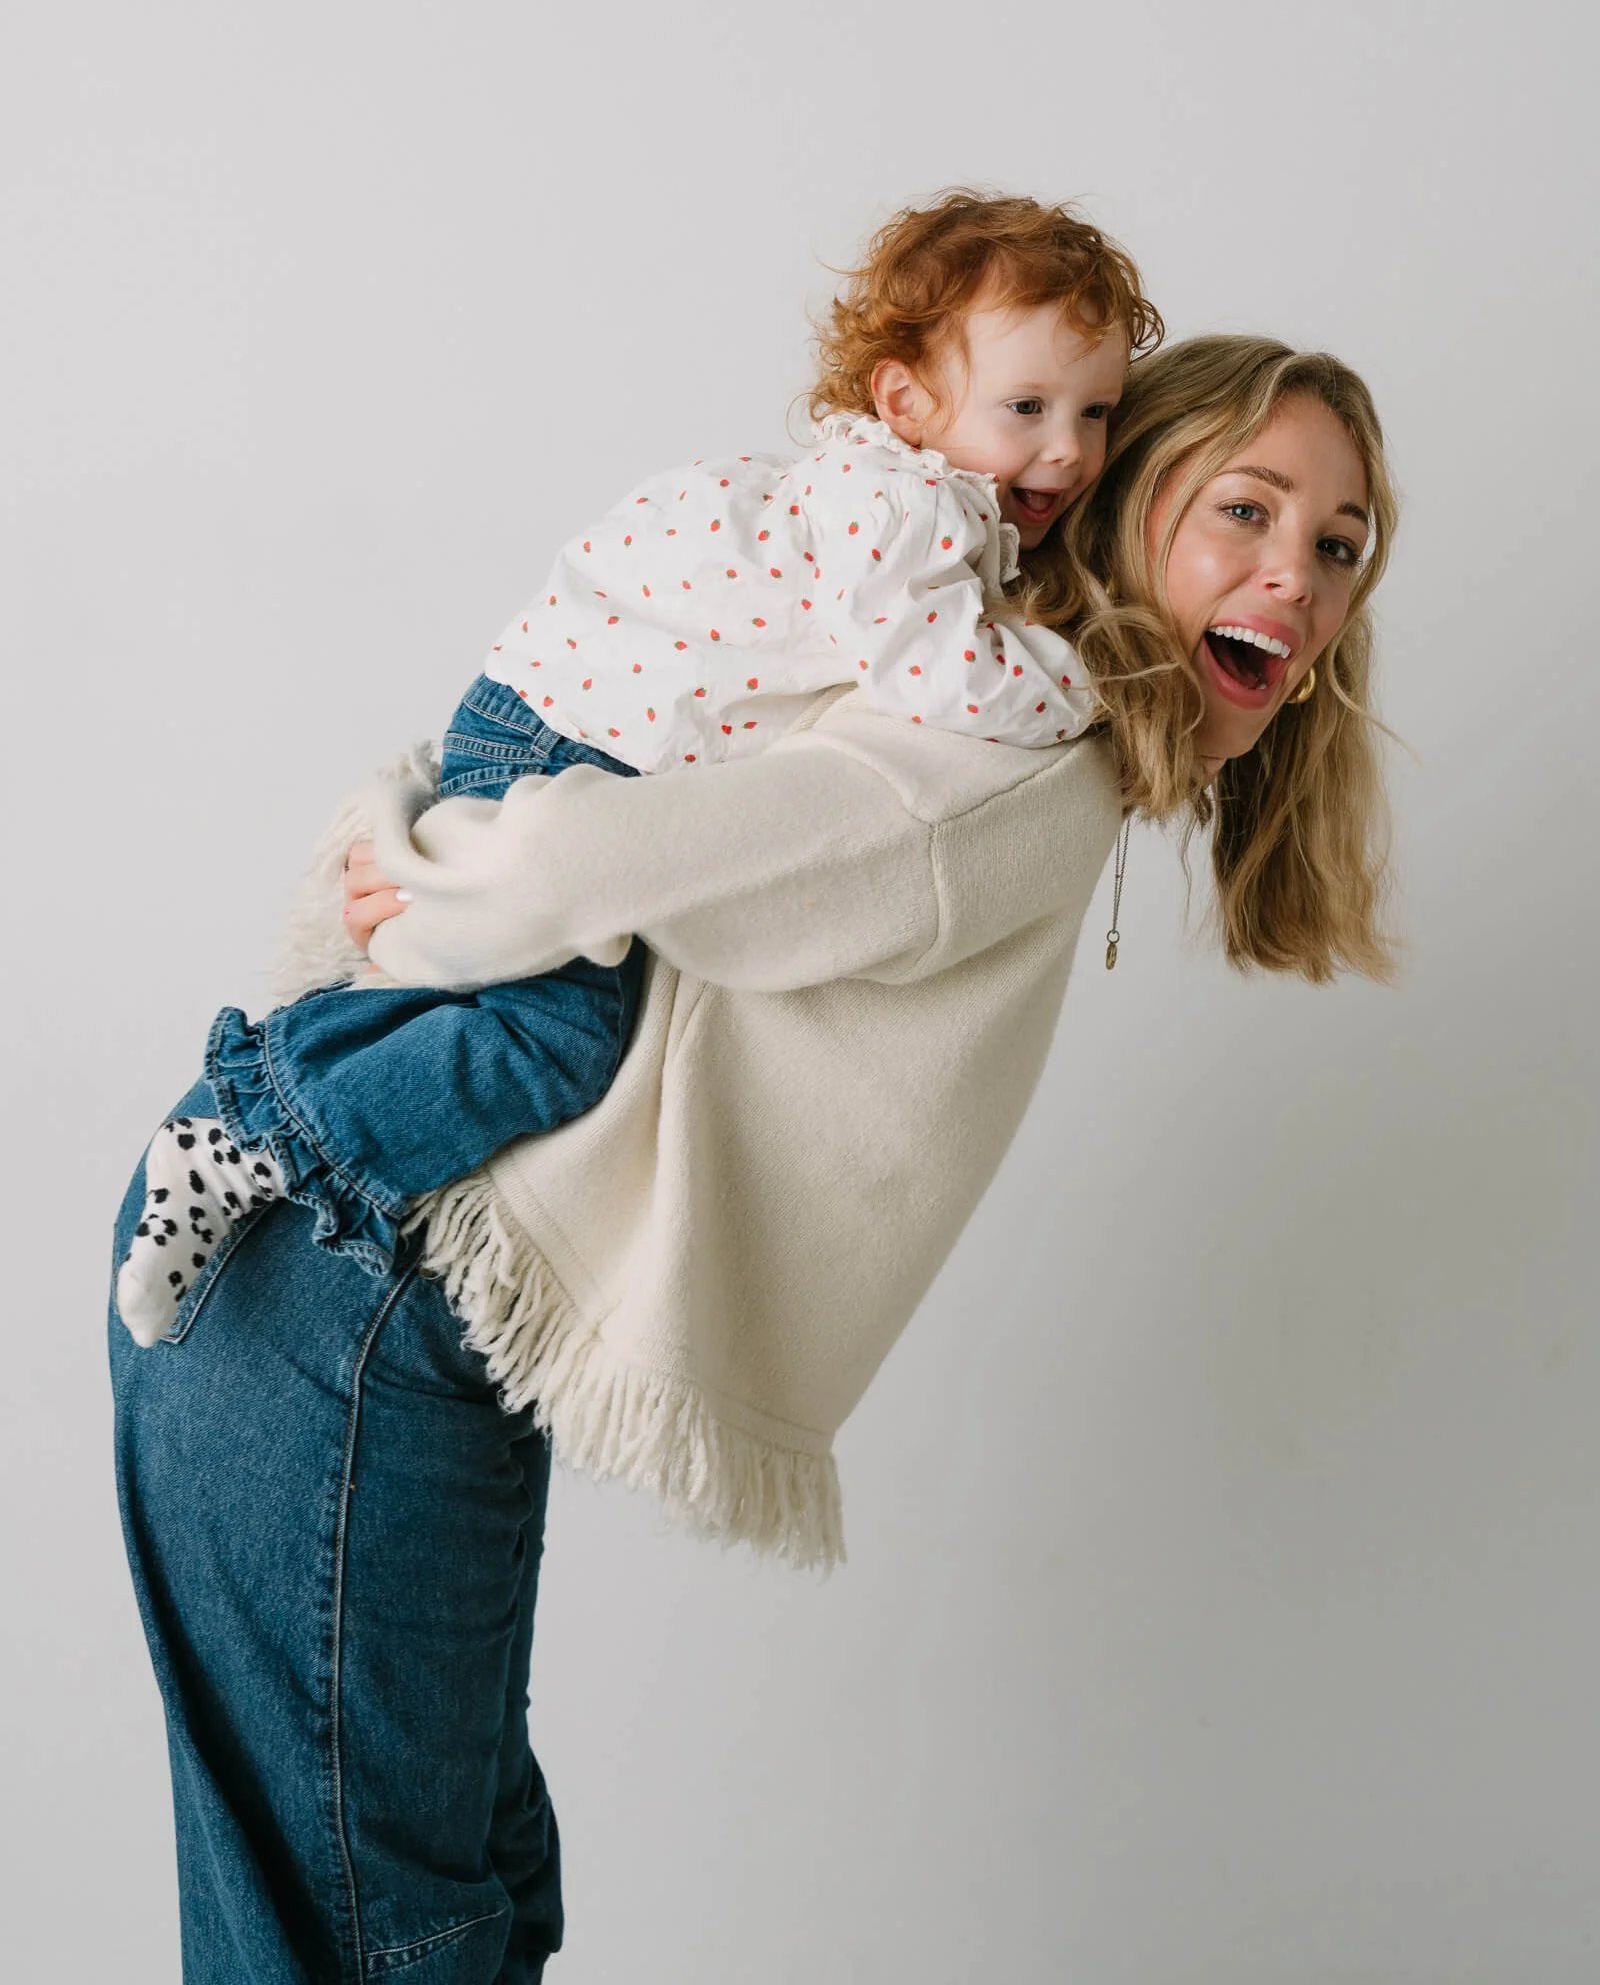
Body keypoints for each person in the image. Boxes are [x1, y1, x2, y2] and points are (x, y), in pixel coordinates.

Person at [109, 330, 1395, 1982]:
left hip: (355, 1297)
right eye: (1249, 510)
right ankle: (273, 1106)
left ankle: (269, 1109)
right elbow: (606, 842)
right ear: (1131, 496)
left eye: (1339, 546)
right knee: (399, 1938)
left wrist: (411, 850)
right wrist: (428, 875)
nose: (1292, 580)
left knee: (431, 1912)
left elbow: (583, 752)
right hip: (353, 1298)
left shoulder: (959, 684)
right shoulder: (1016, 757)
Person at [115, 190, 1158, 1347]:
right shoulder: (897, 505)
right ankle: (254, 1135)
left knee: (507, 1009)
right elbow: (936, 675)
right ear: (906, 400)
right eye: (1027, 406)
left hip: (560, 718)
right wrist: (1087, 682)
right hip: (567, 739)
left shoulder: (891, 495)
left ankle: (283, 1108)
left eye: (1096, 412)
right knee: (554, 1047)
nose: (1067, 448)